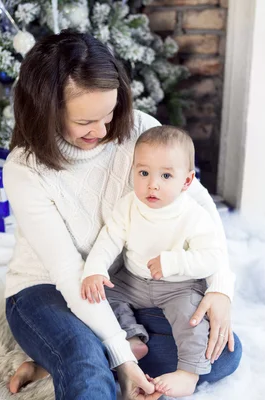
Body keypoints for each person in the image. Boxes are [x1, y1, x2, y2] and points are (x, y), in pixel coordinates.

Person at [3, 30, 242, 400]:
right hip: (47, 288)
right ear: (46, 110)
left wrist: (221, 288)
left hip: (123, 287)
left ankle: (59, 358)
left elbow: (200, 208)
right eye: (84, 122)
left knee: (222, 353)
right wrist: (124, 361)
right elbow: (69, 274)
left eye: (109, 113)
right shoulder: (24, 169)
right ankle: (80, 354)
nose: (101, 130)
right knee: (86, 362)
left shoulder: (140, 129)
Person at [81, 125, 224, 397]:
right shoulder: (128, 205)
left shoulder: (193, 216)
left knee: (192, 320)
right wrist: (95, 270)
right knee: (100, 297)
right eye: (143, 173)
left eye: (166, 175)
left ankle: (188, 373)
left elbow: (212, 258)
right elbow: (109, 238)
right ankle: (131, 337)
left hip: (179, 287)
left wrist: (173, 263)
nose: (152, 184)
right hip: (133, 280)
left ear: (186, 181)